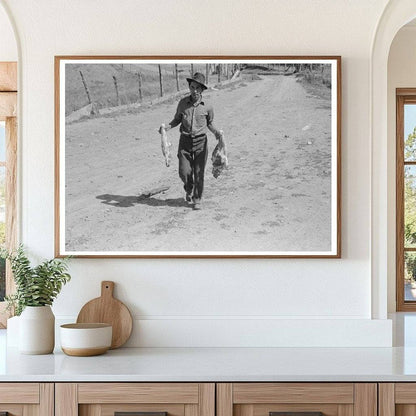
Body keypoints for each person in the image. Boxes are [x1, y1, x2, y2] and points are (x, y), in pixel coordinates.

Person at [160, 72, 221, 210]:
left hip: (201, 143)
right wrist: (167, 127)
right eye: (192, 87)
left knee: (199, 172)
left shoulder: (208, 106)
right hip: (185, 142)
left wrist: (217, 133)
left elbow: (210, 123)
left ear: (202, 90)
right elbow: (177, 119)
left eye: (198, 88)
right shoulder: (183, 104)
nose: (195, 91)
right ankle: (189, 187)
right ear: (189, 87)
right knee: (184, 171)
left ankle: (197, 198)